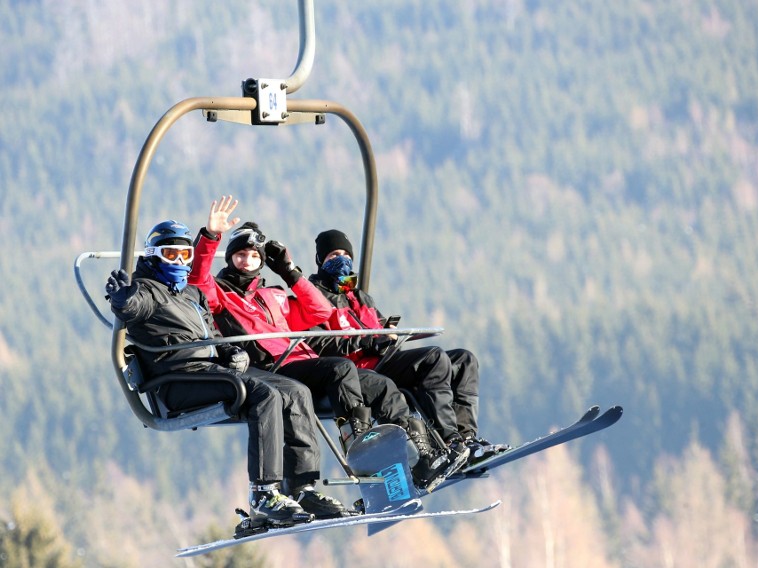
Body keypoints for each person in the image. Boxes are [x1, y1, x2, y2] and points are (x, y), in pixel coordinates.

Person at [188, 196, 467, 491]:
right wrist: (210, 236)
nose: (247, 261)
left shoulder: (275, 294)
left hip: (305, 363)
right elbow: (198, 278)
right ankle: (362, 451)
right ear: (230, 257)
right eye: (241, 255)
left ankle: (420, 460)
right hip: (276, 369)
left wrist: (289, 271)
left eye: (254, 256)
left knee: (384, 387)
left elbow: (320, 311)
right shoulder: (221, 295)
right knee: (341, 368)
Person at [105, 219, 353, 525]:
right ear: (154, 254)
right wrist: (122, 298)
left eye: (184, 255)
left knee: (294, 390)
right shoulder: (148, 289)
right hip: (179, 379)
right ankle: (264, 492)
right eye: (171, 255)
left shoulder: (191, 295)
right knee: (264, 395)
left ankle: (302, 488)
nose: (179, 262)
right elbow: (132, 307)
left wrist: (230, 351)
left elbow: (214, 335)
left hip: (211, 370)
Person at [307, 229, 509, 465]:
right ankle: (449, 441)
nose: (340, 259)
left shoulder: (359, 296)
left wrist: (388, 335)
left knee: (463, 360)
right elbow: (319, 345)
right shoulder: (316, 298)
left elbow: (380, 328)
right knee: (432, 358)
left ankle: (467, 439)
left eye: (345, 254)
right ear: (321, 261)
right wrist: (368, 341)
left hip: (385, 358)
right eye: (332, 256)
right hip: (361, 370)